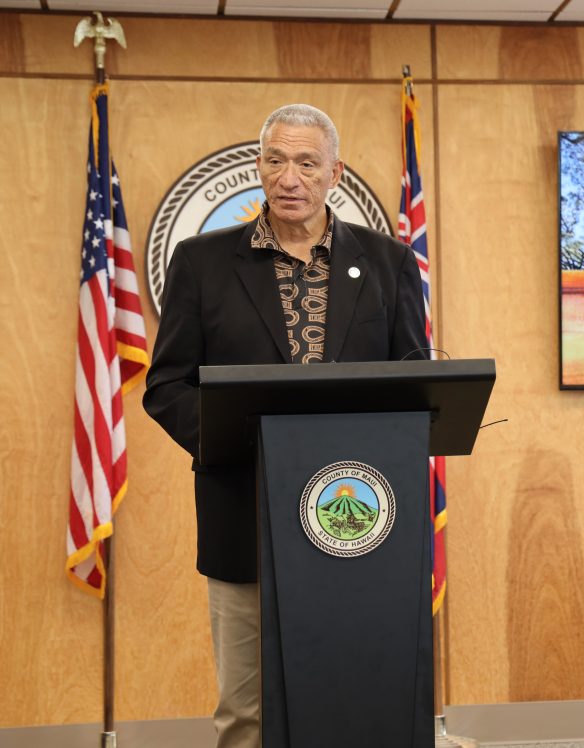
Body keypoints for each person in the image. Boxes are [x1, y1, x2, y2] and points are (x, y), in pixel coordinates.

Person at [143, 103, 428, 748]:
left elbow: (414, 386)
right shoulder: (201, 262)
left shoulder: (388, 262)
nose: (289, 177)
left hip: (358, 521)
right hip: (243, 513)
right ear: (258, 166)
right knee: (246, 710)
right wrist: (239, 439)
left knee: (354, 693)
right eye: (275, 161)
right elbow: (167, 386)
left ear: (335, 173)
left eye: (306, 162)